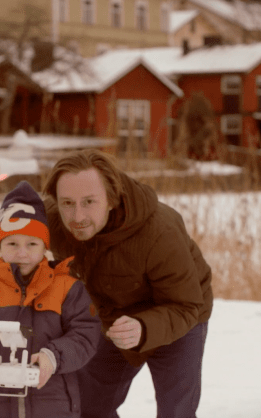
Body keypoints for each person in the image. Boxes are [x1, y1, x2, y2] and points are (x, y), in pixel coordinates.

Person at [42, 150, 213, 418]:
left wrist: (143, 328)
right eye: (67, 203)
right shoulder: (53, 222)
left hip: (180, 314)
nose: (77, 216)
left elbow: (186, 305)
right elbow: (19, 218)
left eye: (89, 202)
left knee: (176, 412)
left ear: (111, 199)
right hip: (112, 316)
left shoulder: (160, 231)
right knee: (88, 407)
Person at [0, 180, 100, 418]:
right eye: (12, 243)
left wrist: (53, 356)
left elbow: (85, 335)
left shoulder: (67, 287)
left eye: (32, 244)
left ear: (44, 246)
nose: (22, 252)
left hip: (55, 408)